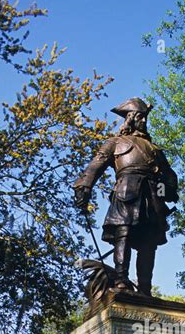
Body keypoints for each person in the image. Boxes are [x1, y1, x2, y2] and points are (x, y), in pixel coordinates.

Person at [72, 97, 178, 296]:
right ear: (130, 118)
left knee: (148, 242)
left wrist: (166, 189)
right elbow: (96, 165)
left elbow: (169, 175)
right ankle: (121, 281)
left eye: (145, 117)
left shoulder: (155, 149)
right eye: (140, 117)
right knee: (124, 236)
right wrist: (84, 186)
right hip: (125, 193)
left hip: (152, 198)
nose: (144, 121)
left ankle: (145, 289)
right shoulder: (115, 143)